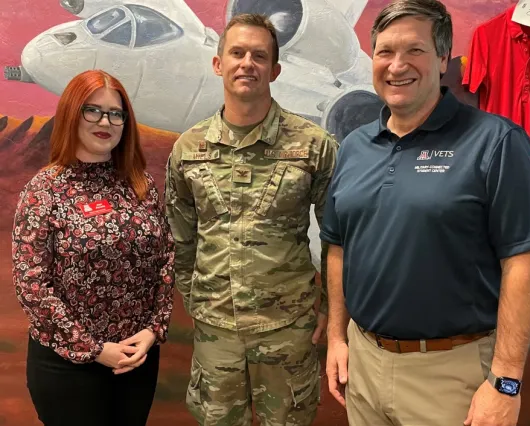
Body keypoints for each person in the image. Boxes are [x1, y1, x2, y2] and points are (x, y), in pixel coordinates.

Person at [321, 1, 530, 426]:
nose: (397, 66)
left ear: (443, 57)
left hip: (452, 376)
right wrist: (338, 337)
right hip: (364, 366)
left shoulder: (496, 142)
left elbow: (523, 261)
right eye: (385, 51)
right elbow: (338, 245)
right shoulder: (355, 146)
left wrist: (506, 381)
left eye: (415, 50)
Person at [165, 13, 338, 426]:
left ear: (275, 70)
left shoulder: (313, 146)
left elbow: (337, 235)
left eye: (259, 56)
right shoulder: (189, 149)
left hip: (287, 331)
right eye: (237, 53)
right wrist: (199, 301)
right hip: (216, 334)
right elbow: (180, 237)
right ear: (218, 63)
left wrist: (332, 309)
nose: (247, 64)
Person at [12, 69, 175, 426]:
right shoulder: (45, 191)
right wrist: (96, 351)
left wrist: (153, 331)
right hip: (68, 365)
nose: (106, 121)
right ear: (72, 113)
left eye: (116, 113)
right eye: (93, 110)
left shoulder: (140, 184)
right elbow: (32, 285)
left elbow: (165, 259)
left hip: (136, 359)